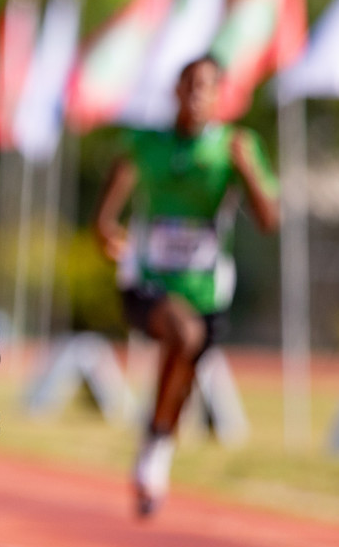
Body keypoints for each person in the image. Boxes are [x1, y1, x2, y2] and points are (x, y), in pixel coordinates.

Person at [93, 55, 279, 519]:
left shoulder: (236, 144)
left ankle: (156, 444)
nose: (196, 94)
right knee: (184, 335)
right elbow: (113, 194)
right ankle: (155, 442)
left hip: (207, 288)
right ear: (175, 91)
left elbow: (269, 220)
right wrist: (106, 228)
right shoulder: (145, 142)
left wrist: (246, 169)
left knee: (184, 373)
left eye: (206, 87)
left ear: (220, 96)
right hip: (146, 280)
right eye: (189, 85)